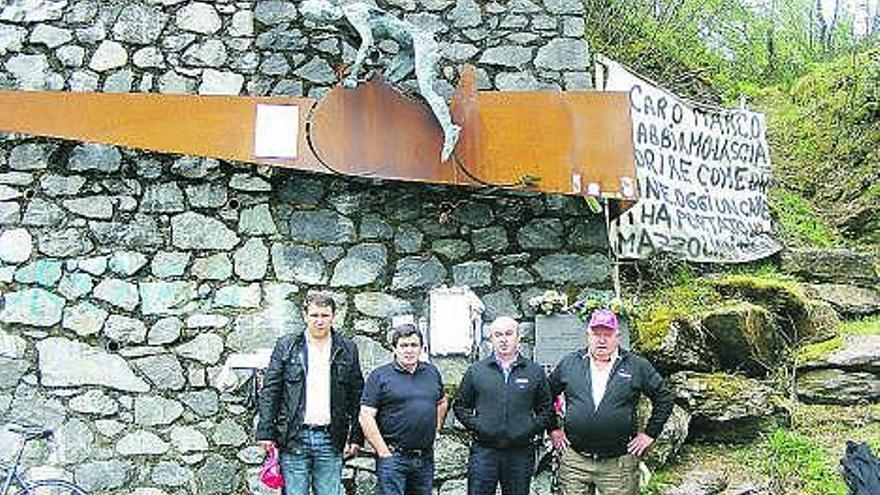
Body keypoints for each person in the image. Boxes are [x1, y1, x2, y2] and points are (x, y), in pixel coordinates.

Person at [299, 0, 461, 162]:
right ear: (321, 21)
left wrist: (354, 75)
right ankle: (416, 119)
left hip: (421, 43)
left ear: (328, 5)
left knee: (426, 88)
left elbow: (367, 42)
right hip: (407, 50)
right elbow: (368, 50)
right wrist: (369, 60)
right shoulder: (344, 28)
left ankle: (450, 130)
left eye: (325, 9)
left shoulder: (354, 11)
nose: (328, 14)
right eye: (322, 17)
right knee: (387, 83)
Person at [548, 309, 674, 495]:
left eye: (607, 334)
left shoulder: (636, 366)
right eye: (596, 334)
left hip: (618, 464)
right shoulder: (570, 363)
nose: (601, 340)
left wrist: (649, 434)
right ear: (588, 335)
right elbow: (546, 395)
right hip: (575, 462)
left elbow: (664, 397)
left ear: (617, 336)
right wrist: (553, 429)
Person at [257, 291, 364, 495]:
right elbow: (271, 390)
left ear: (333, 316)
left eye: (324, 315)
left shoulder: (347, 349)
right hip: (294, 436)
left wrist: (356, 437)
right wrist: (266, 432)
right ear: (305, 316)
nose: (319, 321)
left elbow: (356, 395)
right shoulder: (286, 346)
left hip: (331, 437)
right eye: (314, 315)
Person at [453, 316, 553, 495]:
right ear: (491, 339)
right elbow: (460, 406)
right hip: (484, 451)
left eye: (509, 334)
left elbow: (546, 408)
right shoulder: (476, 371)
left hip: (520, 453)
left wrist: (528, 428)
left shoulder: (534, 371)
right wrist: (480, 426)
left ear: (518, 338)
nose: (504, 339)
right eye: (498, 335)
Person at [359, 323, 448, 495]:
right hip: (394, 458)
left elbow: (442, 402)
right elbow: (366, 416)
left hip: (424, 458)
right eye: (403, 346)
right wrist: (383, 452)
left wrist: (436, 429)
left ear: (422, 348)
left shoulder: (431, 372)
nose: (409, 350)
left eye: (414, 345)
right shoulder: (380, 376)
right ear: (394, 348)